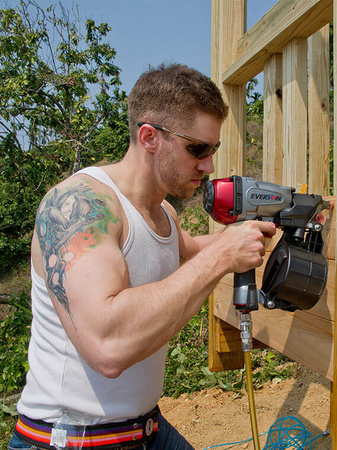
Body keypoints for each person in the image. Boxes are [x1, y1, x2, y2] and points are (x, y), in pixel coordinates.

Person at [9, 63, 275, 450]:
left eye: (212, 149)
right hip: (71, 439)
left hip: (144, 429)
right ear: (149, 137)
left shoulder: (162, 212)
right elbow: (108, 347)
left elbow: (192, 251)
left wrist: (271, 224)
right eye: (197, 149)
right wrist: (222, 257)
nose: (209, 165)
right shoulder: (81, 206)